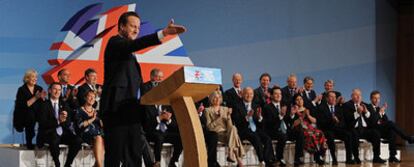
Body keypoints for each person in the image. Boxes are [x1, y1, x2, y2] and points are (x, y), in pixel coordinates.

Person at [100, 11, 186, 166]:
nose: (136, 30)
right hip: (116, 110)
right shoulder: (115, 43)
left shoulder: (131, 56)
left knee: (133, 155)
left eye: (138, 28)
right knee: (114, 156)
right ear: (121, 27)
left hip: (132, 110)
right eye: (132, 26)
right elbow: (135, 44)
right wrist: (163, 33)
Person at [141, 68, 182, 167]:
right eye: (158, 77)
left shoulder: (167, 105)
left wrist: (168, 120)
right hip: (152, 131)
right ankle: (157, 163)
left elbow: (174, 125)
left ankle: (173, 162)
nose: (160, 80)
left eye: (161, 78)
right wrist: (159, 117)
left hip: (165, 131)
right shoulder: (147, 104)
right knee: (159, 137)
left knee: (180, 138)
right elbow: (147, 124)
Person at [37, 82, 82, 167]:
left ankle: (68, 164)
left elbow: (68, 122)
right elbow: (43, 123)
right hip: (48, 133)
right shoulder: (43, 104)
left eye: (59, 90)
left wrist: (64, 120)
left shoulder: (64, 104)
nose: (57, 92)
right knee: (54, 138)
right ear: (50, 91)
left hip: (63, 133)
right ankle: (57, 164)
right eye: (55, 89)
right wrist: (58, 120)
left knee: (78, 140)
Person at [231, 87, 275, 167]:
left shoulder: (256, 105)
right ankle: (262, 160)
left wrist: (259, 118)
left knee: (267, 139)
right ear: (242, 94)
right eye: (247, 93)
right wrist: (247, 117)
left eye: (251, 94)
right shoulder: (237, 105)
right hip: (243, 129)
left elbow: (261, 124)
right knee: (256, 137)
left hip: (255, 128)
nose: (249, 95)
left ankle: (267, 160)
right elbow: (236, 122)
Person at [368, 90, 414, 163]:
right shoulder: (368, 108)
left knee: (392, 131)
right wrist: (380, 113)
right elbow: (373, 121)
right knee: (391, 123)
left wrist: (382, 113)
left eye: (378, 98)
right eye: (375, 98)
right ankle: (408, 138)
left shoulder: (379, 109)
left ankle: (392, 156)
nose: (377, 100)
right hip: (373, 130)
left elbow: (385, 121)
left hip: (380, 129)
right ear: (371, 99)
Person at [342, 88, 386, 164]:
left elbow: (371, 119)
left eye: (360, 95)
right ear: (352, 96)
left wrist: (366, 112)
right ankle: (356, 157)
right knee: (353, 133)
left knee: (376, 133)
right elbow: (348, 120)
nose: (358, 97)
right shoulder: (347, 105)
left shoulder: (365, 105)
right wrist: (357, 113)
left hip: (364, 130)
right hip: (353, 128)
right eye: (356, 95)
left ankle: (376, 157)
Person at [205, 91, 245, 167]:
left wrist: (229, 117)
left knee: (233, 128)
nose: (217, 99)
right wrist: (218, 118)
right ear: (211, 99)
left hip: (227, 132)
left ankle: (230, 152)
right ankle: (238, 160)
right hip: (217, 133)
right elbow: (209, 127)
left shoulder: (225, 109)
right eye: (215, 98)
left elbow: (229, 126)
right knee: (235, 136)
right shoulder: (207, 110)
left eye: (219, 97)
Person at [316, 91, 356, 164]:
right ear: (327, 98)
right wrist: (331, 120)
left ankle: (349, 159)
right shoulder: (321, 108)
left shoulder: (339, 108)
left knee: (348, 135)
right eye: (331, 97)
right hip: (327, 129)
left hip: (337, 129)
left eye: (335, 97)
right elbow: (320, 123)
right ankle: (334, 159)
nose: (334, 98)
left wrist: (337, 122)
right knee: (330, 135)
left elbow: (342, 122)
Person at [13, 69, 46, 149]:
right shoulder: (22, 89)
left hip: (37, 113)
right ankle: (29, 143)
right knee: (30, 116)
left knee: (45, 117)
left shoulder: (39, 88)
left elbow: (42, 103)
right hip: (24, 113)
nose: (35, 79)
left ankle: (42, 141)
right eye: (33, 77)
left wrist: (43, 98)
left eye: (36, 77)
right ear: (27, 78)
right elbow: (24, 105)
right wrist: (35, 97)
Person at [290, 94, 326, 165]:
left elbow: (315, 121)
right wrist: (301, 116)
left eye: (301, 99)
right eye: (297, 99)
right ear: (295, 101)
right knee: (310, 134)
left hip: (309, 127)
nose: (299, 101)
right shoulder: (293, 110)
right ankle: (316, 155)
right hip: (299, 129)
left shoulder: (307, 109)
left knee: (320, 132)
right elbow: (294, 124)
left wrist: (308, 116)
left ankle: (319, 155)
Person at [75, 90, 104, 167]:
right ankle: (100, 165)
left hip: (97, 135)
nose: (92, 98)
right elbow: (80, 125)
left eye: (94, 97)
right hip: (85, 134)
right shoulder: (79, 110)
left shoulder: (96, 112)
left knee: (102, 138)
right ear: (85, 97)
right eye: (90, 96)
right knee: (99, 138)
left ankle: (97, 165)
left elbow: (102, 125)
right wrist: (92, 119)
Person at [262, 86, 288, 166]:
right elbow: (270, 124)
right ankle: (279, 158)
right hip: (272, 130)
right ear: (271, 95)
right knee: (282, 136)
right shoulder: (267, 107)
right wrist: (280, 116)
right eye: (276, 94)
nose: (278, 95)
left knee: (299, 132)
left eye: (280, 94)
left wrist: (292, 115)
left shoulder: (284, 106)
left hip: (284, 129)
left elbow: (288, 120)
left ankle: (298, 158)